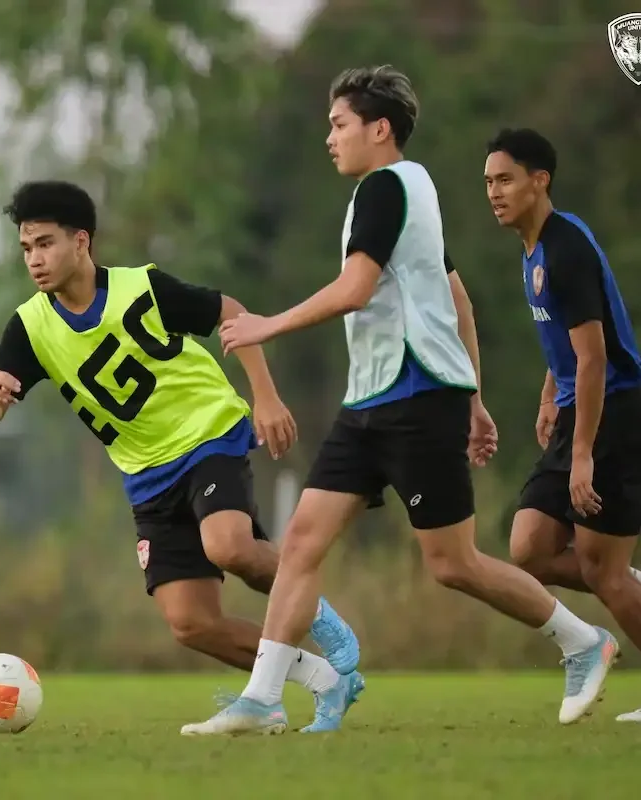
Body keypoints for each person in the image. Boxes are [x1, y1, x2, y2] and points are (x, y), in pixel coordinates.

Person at [181, 65, 618, 736]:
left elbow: (355, 289)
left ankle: (581, 640)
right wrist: (473, 395)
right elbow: (456, 295)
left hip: (415, 399)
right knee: (300, 542)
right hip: (375, 401)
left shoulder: (388, 187)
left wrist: (266, 324)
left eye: (339, 125)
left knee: (453, 563)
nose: (330, 138)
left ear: (379, 130)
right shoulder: (406, 192)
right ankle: (263, 698)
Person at [0, 180, 364, 733]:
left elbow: (231, 312)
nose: (34, 259)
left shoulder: (141, 287)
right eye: (26, 248)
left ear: (81, 241)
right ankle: (320, 682)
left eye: (45, 243)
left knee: (229, 545)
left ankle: (325, 623)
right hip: (146, 474)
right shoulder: (31, 327)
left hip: (207, 434)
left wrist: (265, 396)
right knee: (191, 624)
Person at [484, 128, 641, 723]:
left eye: (505, 180)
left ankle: (621, 588)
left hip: (615, 411)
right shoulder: (533, 248)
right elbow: (569, 348)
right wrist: (551, 394)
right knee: (529, 546)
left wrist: (582, 455)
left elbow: (597, 357)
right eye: (489, 183)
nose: (494, 193)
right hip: (579, 406)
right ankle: (625, 588)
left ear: (539, 181)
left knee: (601, 569)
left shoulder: (565, 248)